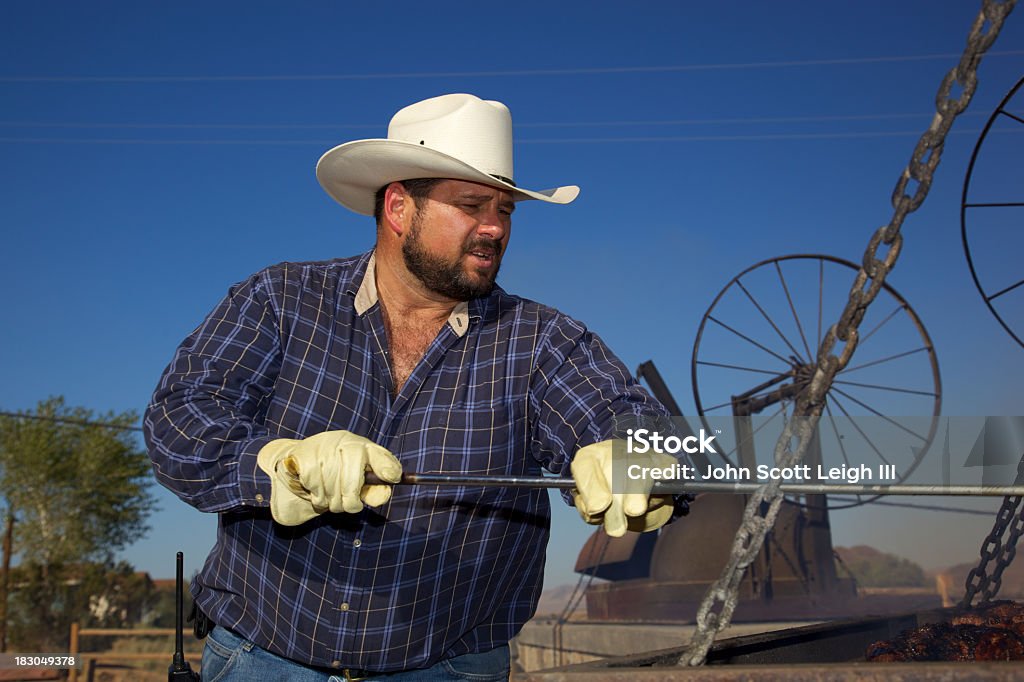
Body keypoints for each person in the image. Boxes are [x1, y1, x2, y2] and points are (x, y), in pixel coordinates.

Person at [144, 93, 682, 681]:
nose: (495, 228)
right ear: (399, 209)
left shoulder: (544, 340)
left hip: (445, 667)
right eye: (472, 204)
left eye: (506, 210)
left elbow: (641, 426)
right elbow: (180, 418)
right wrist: (276, 464)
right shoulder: (280, 300)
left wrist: (640, 459)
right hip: (260, 658)